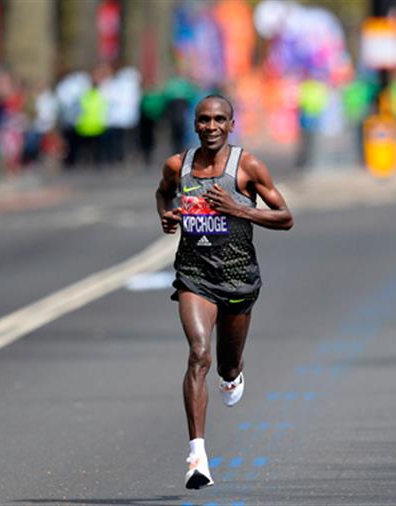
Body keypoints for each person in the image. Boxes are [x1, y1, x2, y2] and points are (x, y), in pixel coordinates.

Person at [155, 94, 293, 489]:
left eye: (219, 120)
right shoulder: (178, 166)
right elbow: (163, 193)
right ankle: (196, 456)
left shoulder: (247, 166)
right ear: (194, 125)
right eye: (203, 120)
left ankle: (233, 376)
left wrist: (239, 209)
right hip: (194, 275)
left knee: (226, 366)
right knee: (199, 353)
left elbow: (285, 217)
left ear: (231, 124)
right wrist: (166, 216)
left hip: (238, 278)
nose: (211, 127)